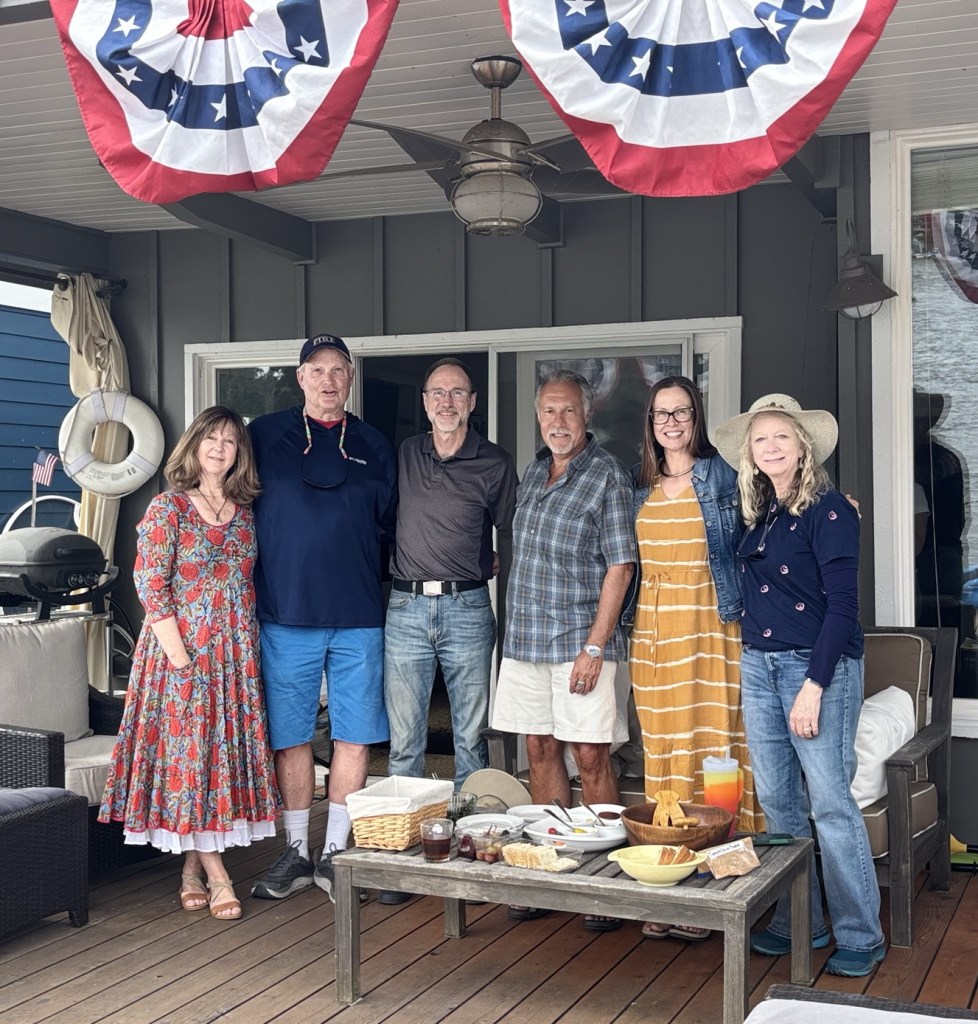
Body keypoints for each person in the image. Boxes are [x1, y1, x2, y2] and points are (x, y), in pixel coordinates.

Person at [715, 393, 885, 978]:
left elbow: (843, 608)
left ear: (803, 445)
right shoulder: (757, 511)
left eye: (781, 436)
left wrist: (814, 684)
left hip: (816, 668)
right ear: (750, 453)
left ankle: (862, 932)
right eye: (760, 439)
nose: (770, 446)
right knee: (781, 804)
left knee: (830, 803)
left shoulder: (831, 509)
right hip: (759, 667)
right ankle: (800, 920)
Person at [99, 406, 277, 921]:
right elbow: (151, 587)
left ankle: (190, 870)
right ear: (194, 446)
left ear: (240, 451)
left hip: (235, 656)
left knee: (215, 766)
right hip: (181, 655)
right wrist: (181, 659)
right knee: (192, 763)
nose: (220, 447)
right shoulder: (168, 508)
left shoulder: (246, 511)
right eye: (211, 439)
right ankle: (219, 875)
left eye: (230, 440)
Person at [247, 333, 396, 903]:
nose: (329, 379)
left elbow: (393, 521)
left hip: (359, 613)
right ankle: (294, 852)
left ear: (350, 378)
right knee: (291, 738)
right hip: (285, 613)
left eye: (339, 369)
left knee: (354, 735)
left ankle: (335, 853)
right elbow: (221, 496)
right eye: (317, 369)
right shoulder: (261, 436)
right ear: (300, 377)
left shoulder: (375, 444)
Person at [491, 369, 635, 930]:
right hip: (525, 640)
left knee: (592, 754)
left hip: (582, 644)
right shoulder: (533, 472)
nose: (558, 422)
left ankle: (605, 878)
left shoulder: (608, 476)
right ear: (538, 416)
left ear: (587, 414)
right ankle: (552, 860)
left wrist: (595, 647)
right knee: (540, 749)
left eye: (568, 411)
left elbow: (622, 564)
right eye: (549, 411)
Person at [628, 376, 764, 942]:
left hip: (714, 622)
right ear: (651, 424)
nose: (672, 423)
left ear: (697, 418)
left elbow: (774, 511)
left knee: (719, 746)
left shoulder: (724, 478)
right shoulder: (639, 486)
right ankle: (670, 876)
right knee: (664, 749)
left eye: (682, 412)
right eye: (662, 414)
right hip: (657, 632)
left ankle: (722, 881)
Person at [384, 357, 517, 789]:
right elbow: (385, 520)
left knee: (470, 740)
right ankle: (400, 839)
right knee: (404, 741)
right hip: (406, 609)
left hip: (468, 607)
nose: (447, 401)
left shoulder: (495, 462)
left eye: (457, 392)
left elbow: (513, 531)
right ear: (424, 402)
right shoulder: (405, 454)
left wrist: (487, 560)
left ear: (472, 401)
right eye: (438, 393)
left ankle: (467, 836)